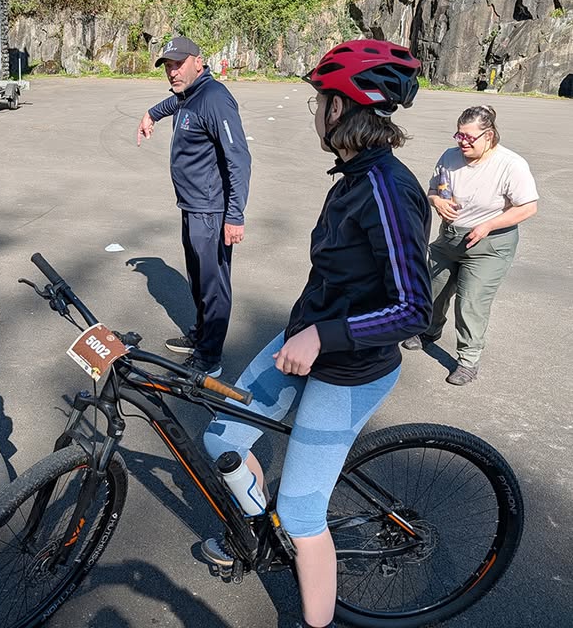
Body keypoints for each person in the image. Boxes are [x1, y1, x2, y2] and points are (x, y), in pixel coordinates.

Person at [199, 40, 432, 628]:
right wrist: (308, 333)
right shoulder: (353, 175)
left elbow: (413, 311)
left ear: (342, 108)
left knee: (303, 516)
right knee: (222, 439)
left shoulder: (387, 189)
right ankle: (256, 536)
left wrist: (324, 337)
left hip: (350, 369)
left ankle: (314, 619)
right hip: (305, 339)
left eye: (320, 100)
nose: (316, 112)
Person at [137, 36, 252, 378]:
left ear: (198, 62)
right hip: (192, 206)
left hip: (212, 211)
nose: (172, 72)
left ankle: (209, 359)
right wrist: (151, 113)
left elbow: (239, 160)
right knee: (199, 279)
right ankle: (203, 337)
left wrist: (234, 215)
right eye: (168, 66)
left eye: (178, 64)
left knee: (213, 284)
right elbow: (175, 104)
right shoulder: (189, 94)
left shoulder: (215, 98)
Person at [401, 105, 539, 385]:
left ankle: (468, 360)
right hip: (450, 239)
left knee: (470, 303)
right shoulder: (449, 158)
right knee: (431, 288)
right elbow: (434, 190)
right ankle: (429, 330)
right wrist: (437, 200)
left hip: (489, 245)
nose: (462, 142)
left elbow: (528, 207)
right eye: (459, 135)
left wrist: (488, 224)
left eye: (469, 137)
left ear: (488, 136)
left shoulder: (510, 164)